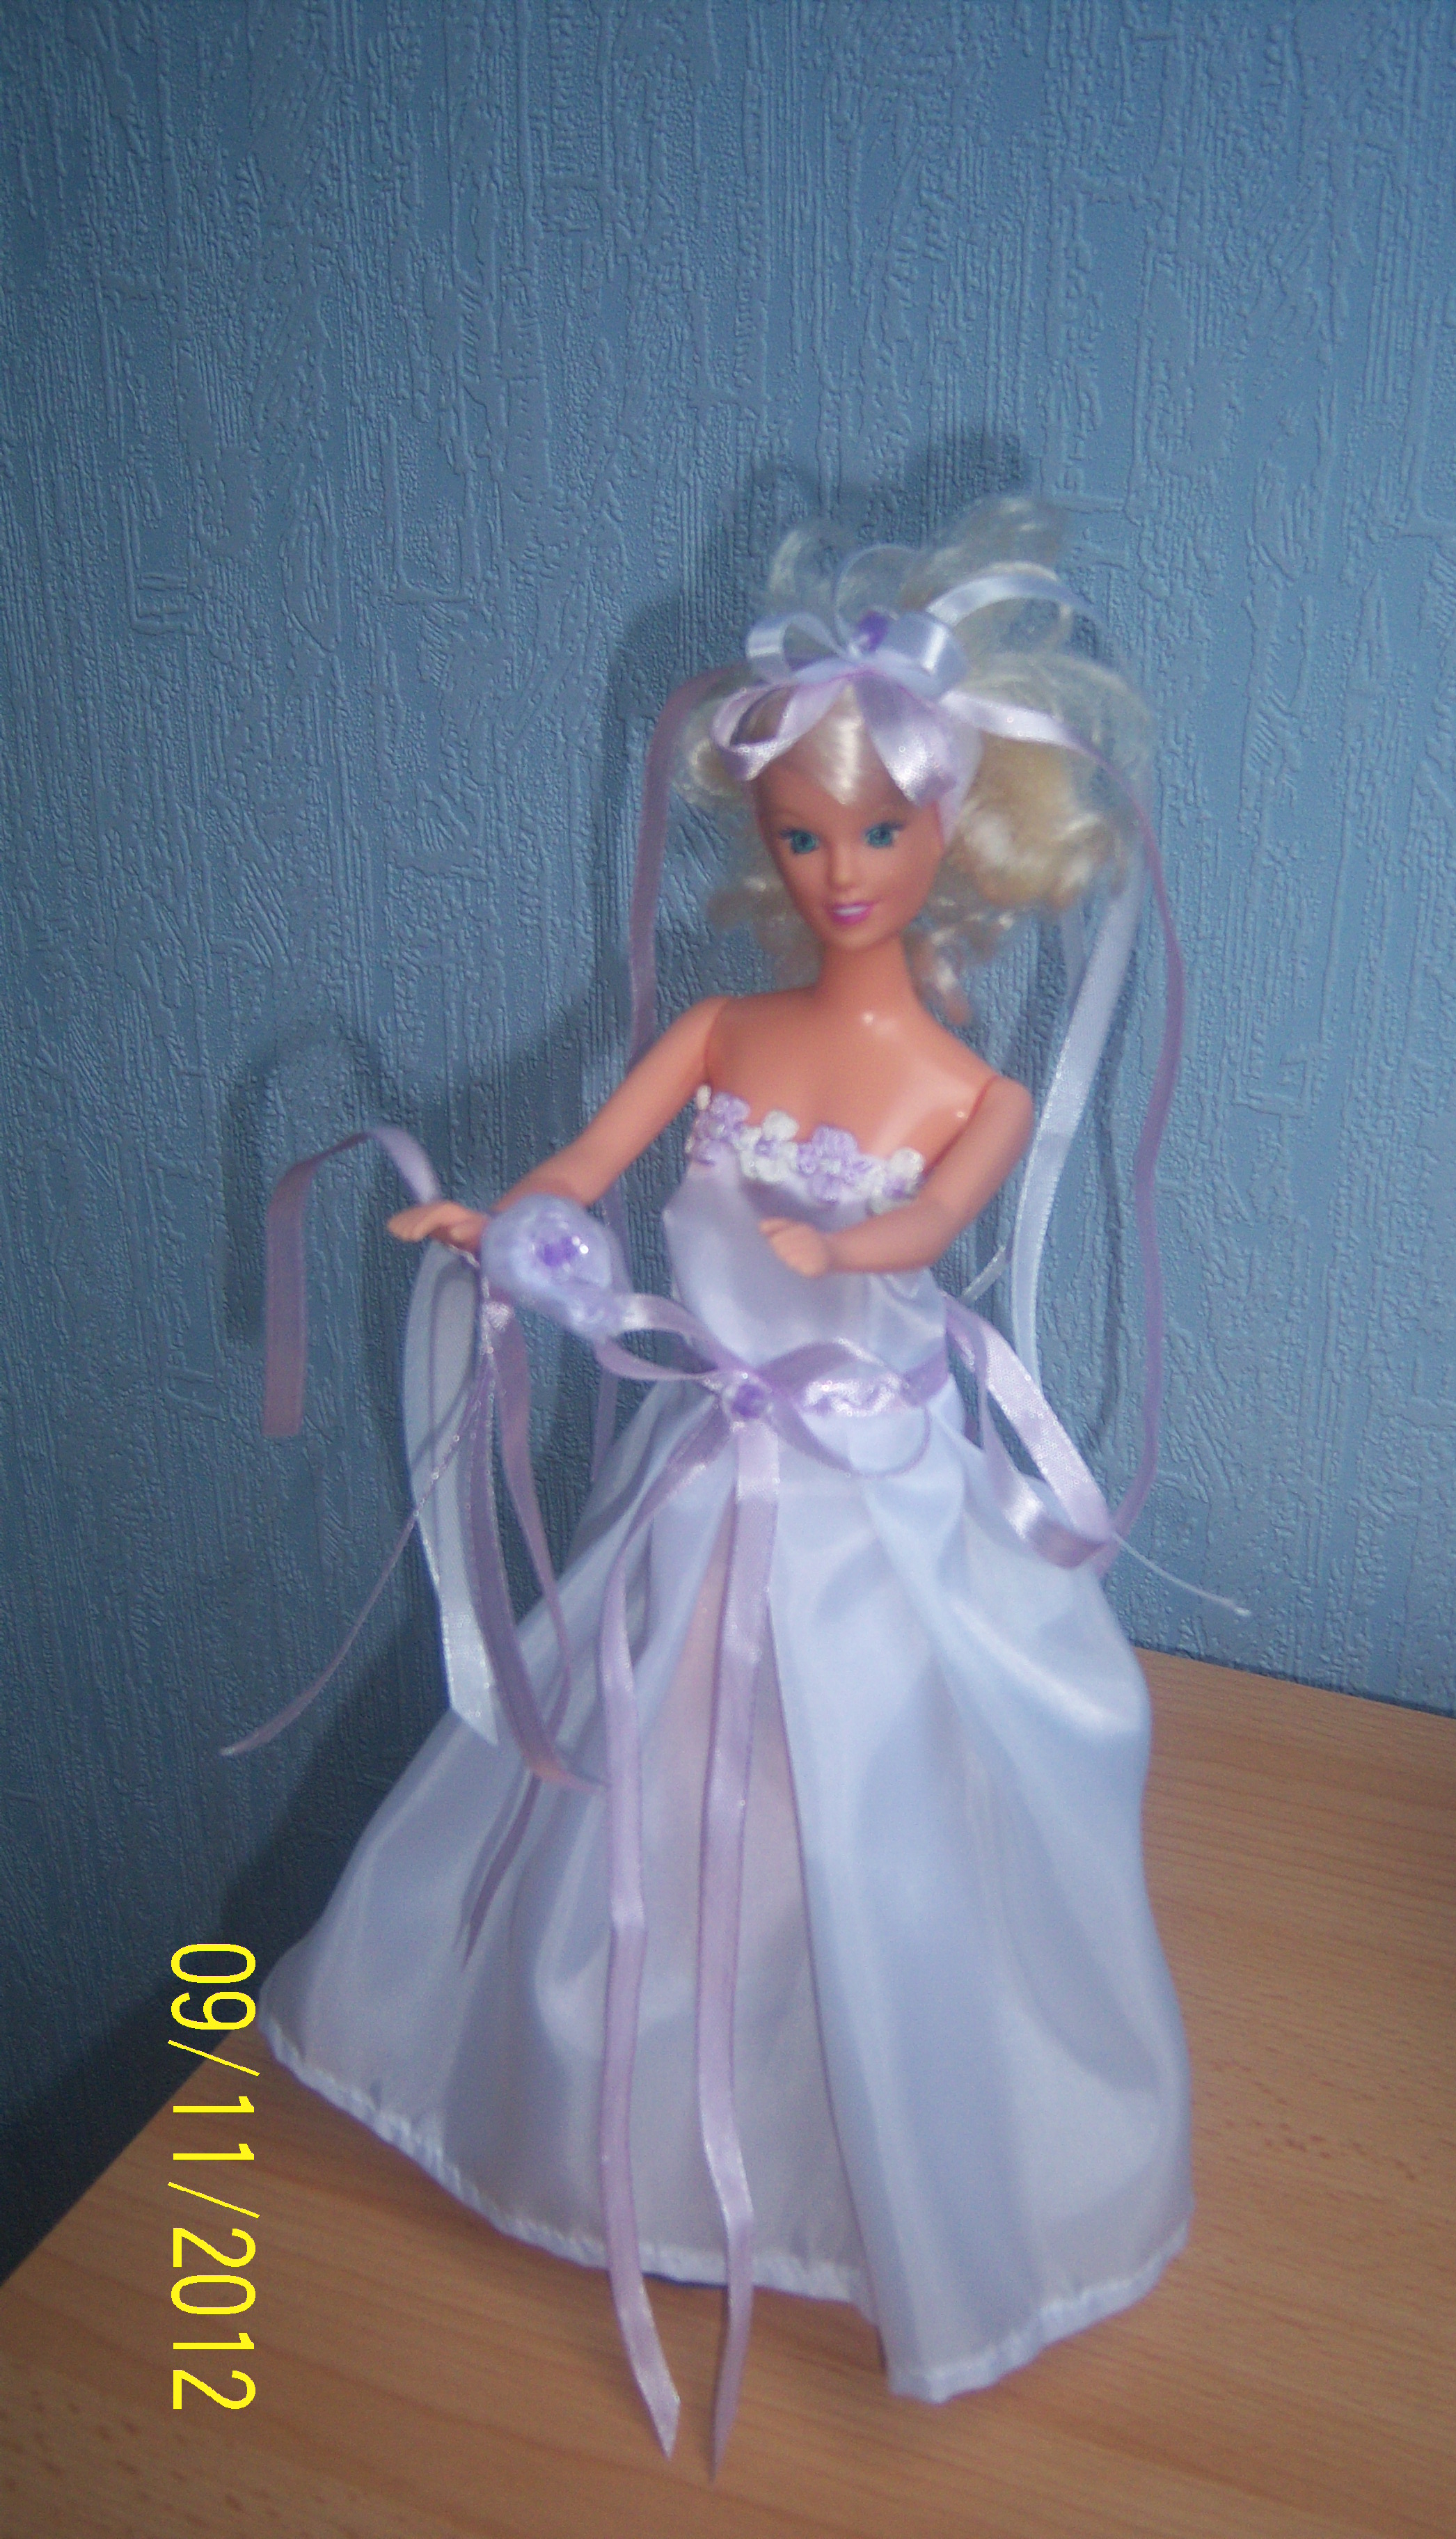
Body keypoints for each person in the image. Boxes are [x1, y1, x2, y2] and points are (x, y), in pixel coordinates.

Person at [256, 497, 1193, 2462]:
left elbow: (917, 1230)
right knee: (657, 1759)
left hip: (875, 1488)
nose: (839, 871)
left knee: (891, 1798)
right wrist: (506, 1229)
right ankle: (633, 2130)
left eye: (879, 831)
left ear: (957, 833)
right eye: (802, 835)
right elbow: (585, 1167)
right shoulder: (714, 1026)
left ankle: (898, 2150)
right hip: (712, 1472)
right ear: (761, 839)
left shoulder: (982, 1089)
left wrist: (837, 1253)